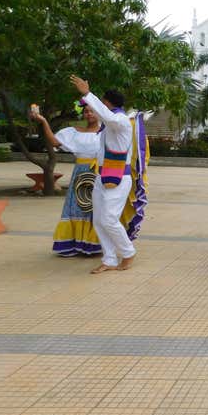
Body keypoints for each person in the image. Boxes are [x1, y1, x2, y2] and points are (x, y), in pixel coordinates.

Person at [70, 75, 137, 273]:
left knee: (108, 218)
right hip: (102, 175)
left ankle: (128, 252)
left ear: (107, 103)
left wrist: (87, 94)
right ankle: (109, 259)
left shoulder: (121, 121)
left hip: (118, 177)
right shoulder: (108, 125)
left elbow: (106, 116)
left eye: (102, 102)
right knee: (99, 219)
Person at [31, 101, 102, 256]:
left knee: (94, 208)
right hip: (80, 173)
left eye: (92, 111)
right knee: (76, 207)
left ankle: (92, 245)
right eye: (86, 111)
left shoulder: (106, 132)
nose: (89, 114)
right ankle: (73, 244)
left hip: (98, 174)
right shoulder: (74, 131)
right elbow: (55, 142)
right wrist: (43, 121)